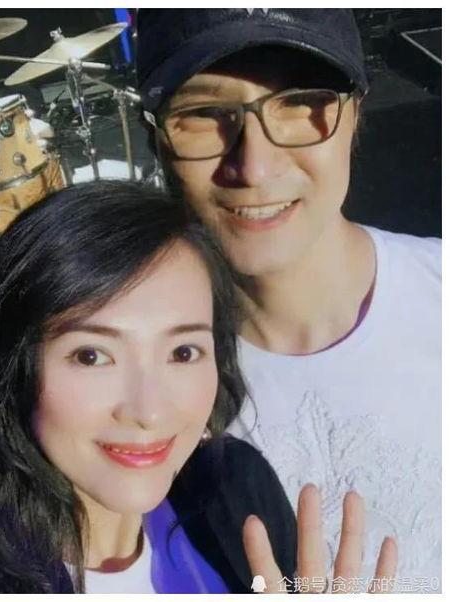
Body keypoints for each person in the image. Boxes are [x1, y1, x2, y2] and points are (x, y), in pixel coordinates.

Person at [0, 181, 396, 594]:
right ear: (11, 366)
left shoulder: (234, 487)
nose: (149, 411)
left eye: (183, 352)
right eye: (92, 356)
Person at [136, 9, 441, 593]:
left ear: (356, 115)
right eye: (204, 114)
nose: (254, 166)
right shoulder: (132, 389)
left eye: (301, 103)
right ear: (156, 137)